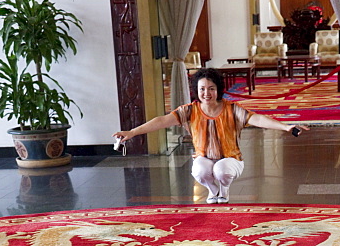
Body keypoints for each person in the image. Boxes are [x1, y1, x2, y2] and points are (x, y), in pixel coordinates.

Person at [114, 67, 307, 204]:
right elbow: (161, 121)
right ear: (196, 91)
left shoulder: (231, 109)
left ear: (218, 89)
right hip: (204, 158)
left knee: (222, 170)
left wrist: (286, 127)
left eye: (211, 88)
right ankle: (213, 190)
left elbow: (258, 119)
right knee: (200, 170)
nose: (207, 93)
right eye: (202, 89)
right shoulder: (190, 111)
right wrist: (132, 132)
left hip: (231, 159)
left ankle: (224, 190)